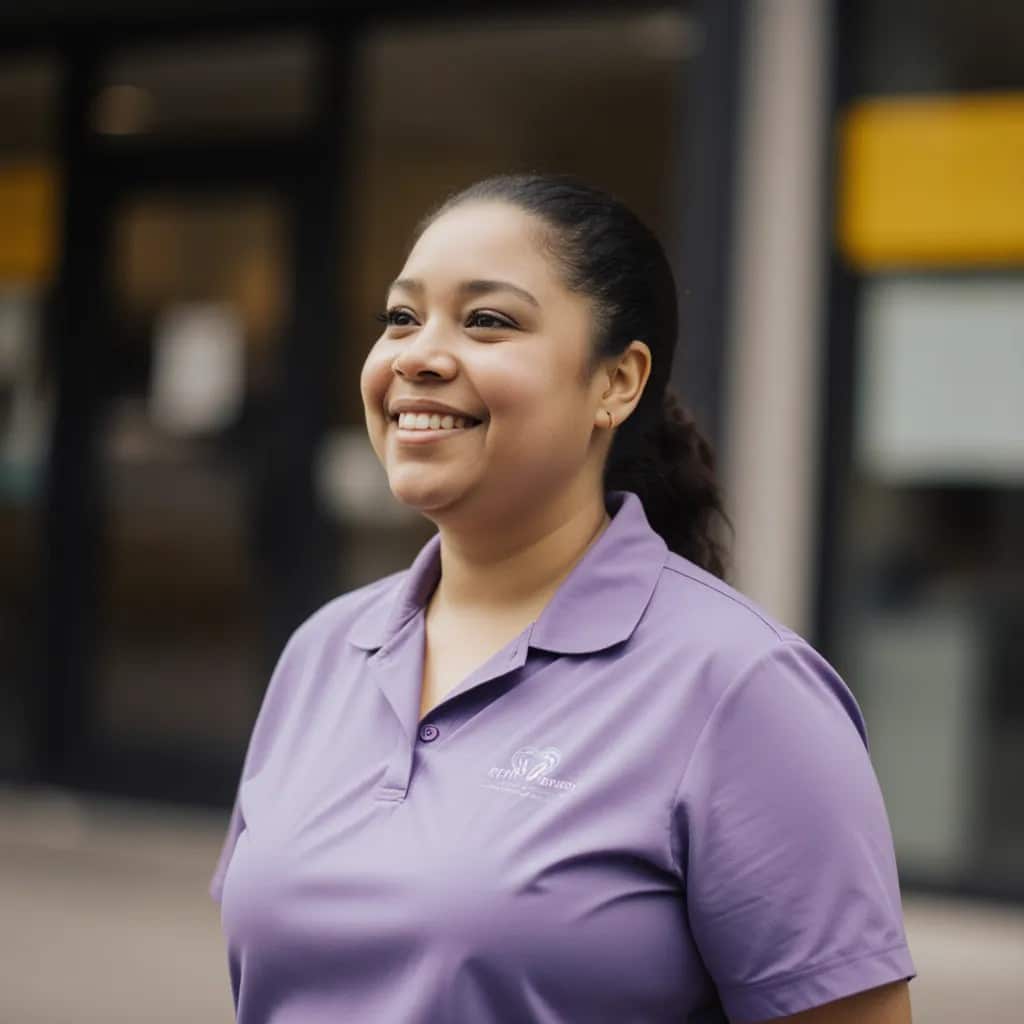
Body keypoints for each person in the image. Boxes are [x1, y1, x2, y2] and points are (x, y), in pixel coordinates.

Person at [209, 172, 916, 1023]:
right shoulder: (325, 649)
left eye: (487, 320)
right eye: (401, 316)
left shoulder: (742, 687)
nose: (418, 355)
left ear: (616, 382)